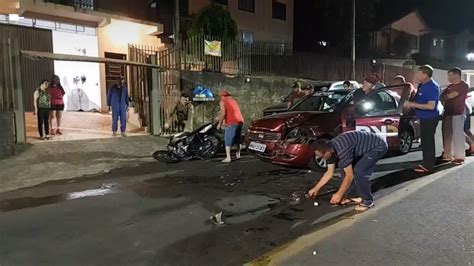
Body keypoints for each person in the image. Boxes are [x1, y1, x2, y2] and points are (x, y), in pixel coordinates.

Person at [308, 131, 388, 212]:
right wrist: (316, 189)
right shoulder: (331, 150)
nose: (322, 159)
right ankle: (354, 195)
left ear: (328, 151)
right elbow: (329, 173)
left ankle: (368, 201)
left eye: (322, 156)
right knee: (343, 167)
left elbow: (350, 176)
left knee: (359, 171)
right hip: (362, 147)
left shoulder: (342, 149)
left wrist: (339, 194)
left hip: (377, 146)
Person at [404, 65, 440, 173]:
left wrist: (412, 104)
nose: (416, 75)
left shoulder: (432, 87)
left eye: (418, 73)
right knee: (425, 141)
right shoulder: (421, 85)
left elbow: (431, 106)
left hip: (430, 118)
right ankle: (426, 162)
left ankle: (428, 166)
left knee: (428, 141)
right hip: (423, 117)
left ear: (425, 75)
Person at [440, 68, 468, 165]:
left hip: (458, 113)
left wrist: (444, 97)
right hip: (447, 113)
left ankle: (459, 156)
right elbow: (442, 97)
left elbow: (451, 96)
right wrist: (444, 97)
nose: (448, 77)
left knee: (457, 135)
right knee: (447, 135)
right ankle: (448, 154)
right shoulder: (449, 86)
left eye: (450, 75)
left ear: (457, 75)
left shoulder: (463, 85)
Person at [217, 90, 244, 163]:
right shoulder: (233, 100)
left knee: (228, 138)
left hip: (232, 121)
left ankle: (228, 157)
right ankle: (238, 154)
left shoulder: (223, 101)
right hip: (240, 120)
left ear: (222, 96)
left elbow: (223, 113)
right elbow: (231, 111)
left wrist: (219, 124)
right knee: (237, 138)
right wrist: (224, 122)